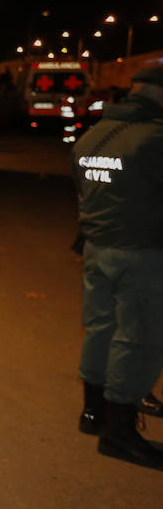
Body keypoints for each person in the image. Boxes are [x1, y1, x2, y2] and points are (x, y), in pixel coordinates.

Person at [72, 66, 163, 471]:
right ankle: (120, 432)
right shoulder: (155, 139)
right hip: (143, 252)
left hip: (97, 247)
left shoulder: (93, 135)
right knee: (138, 338)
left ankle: (93, 414)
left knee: (100, 328)